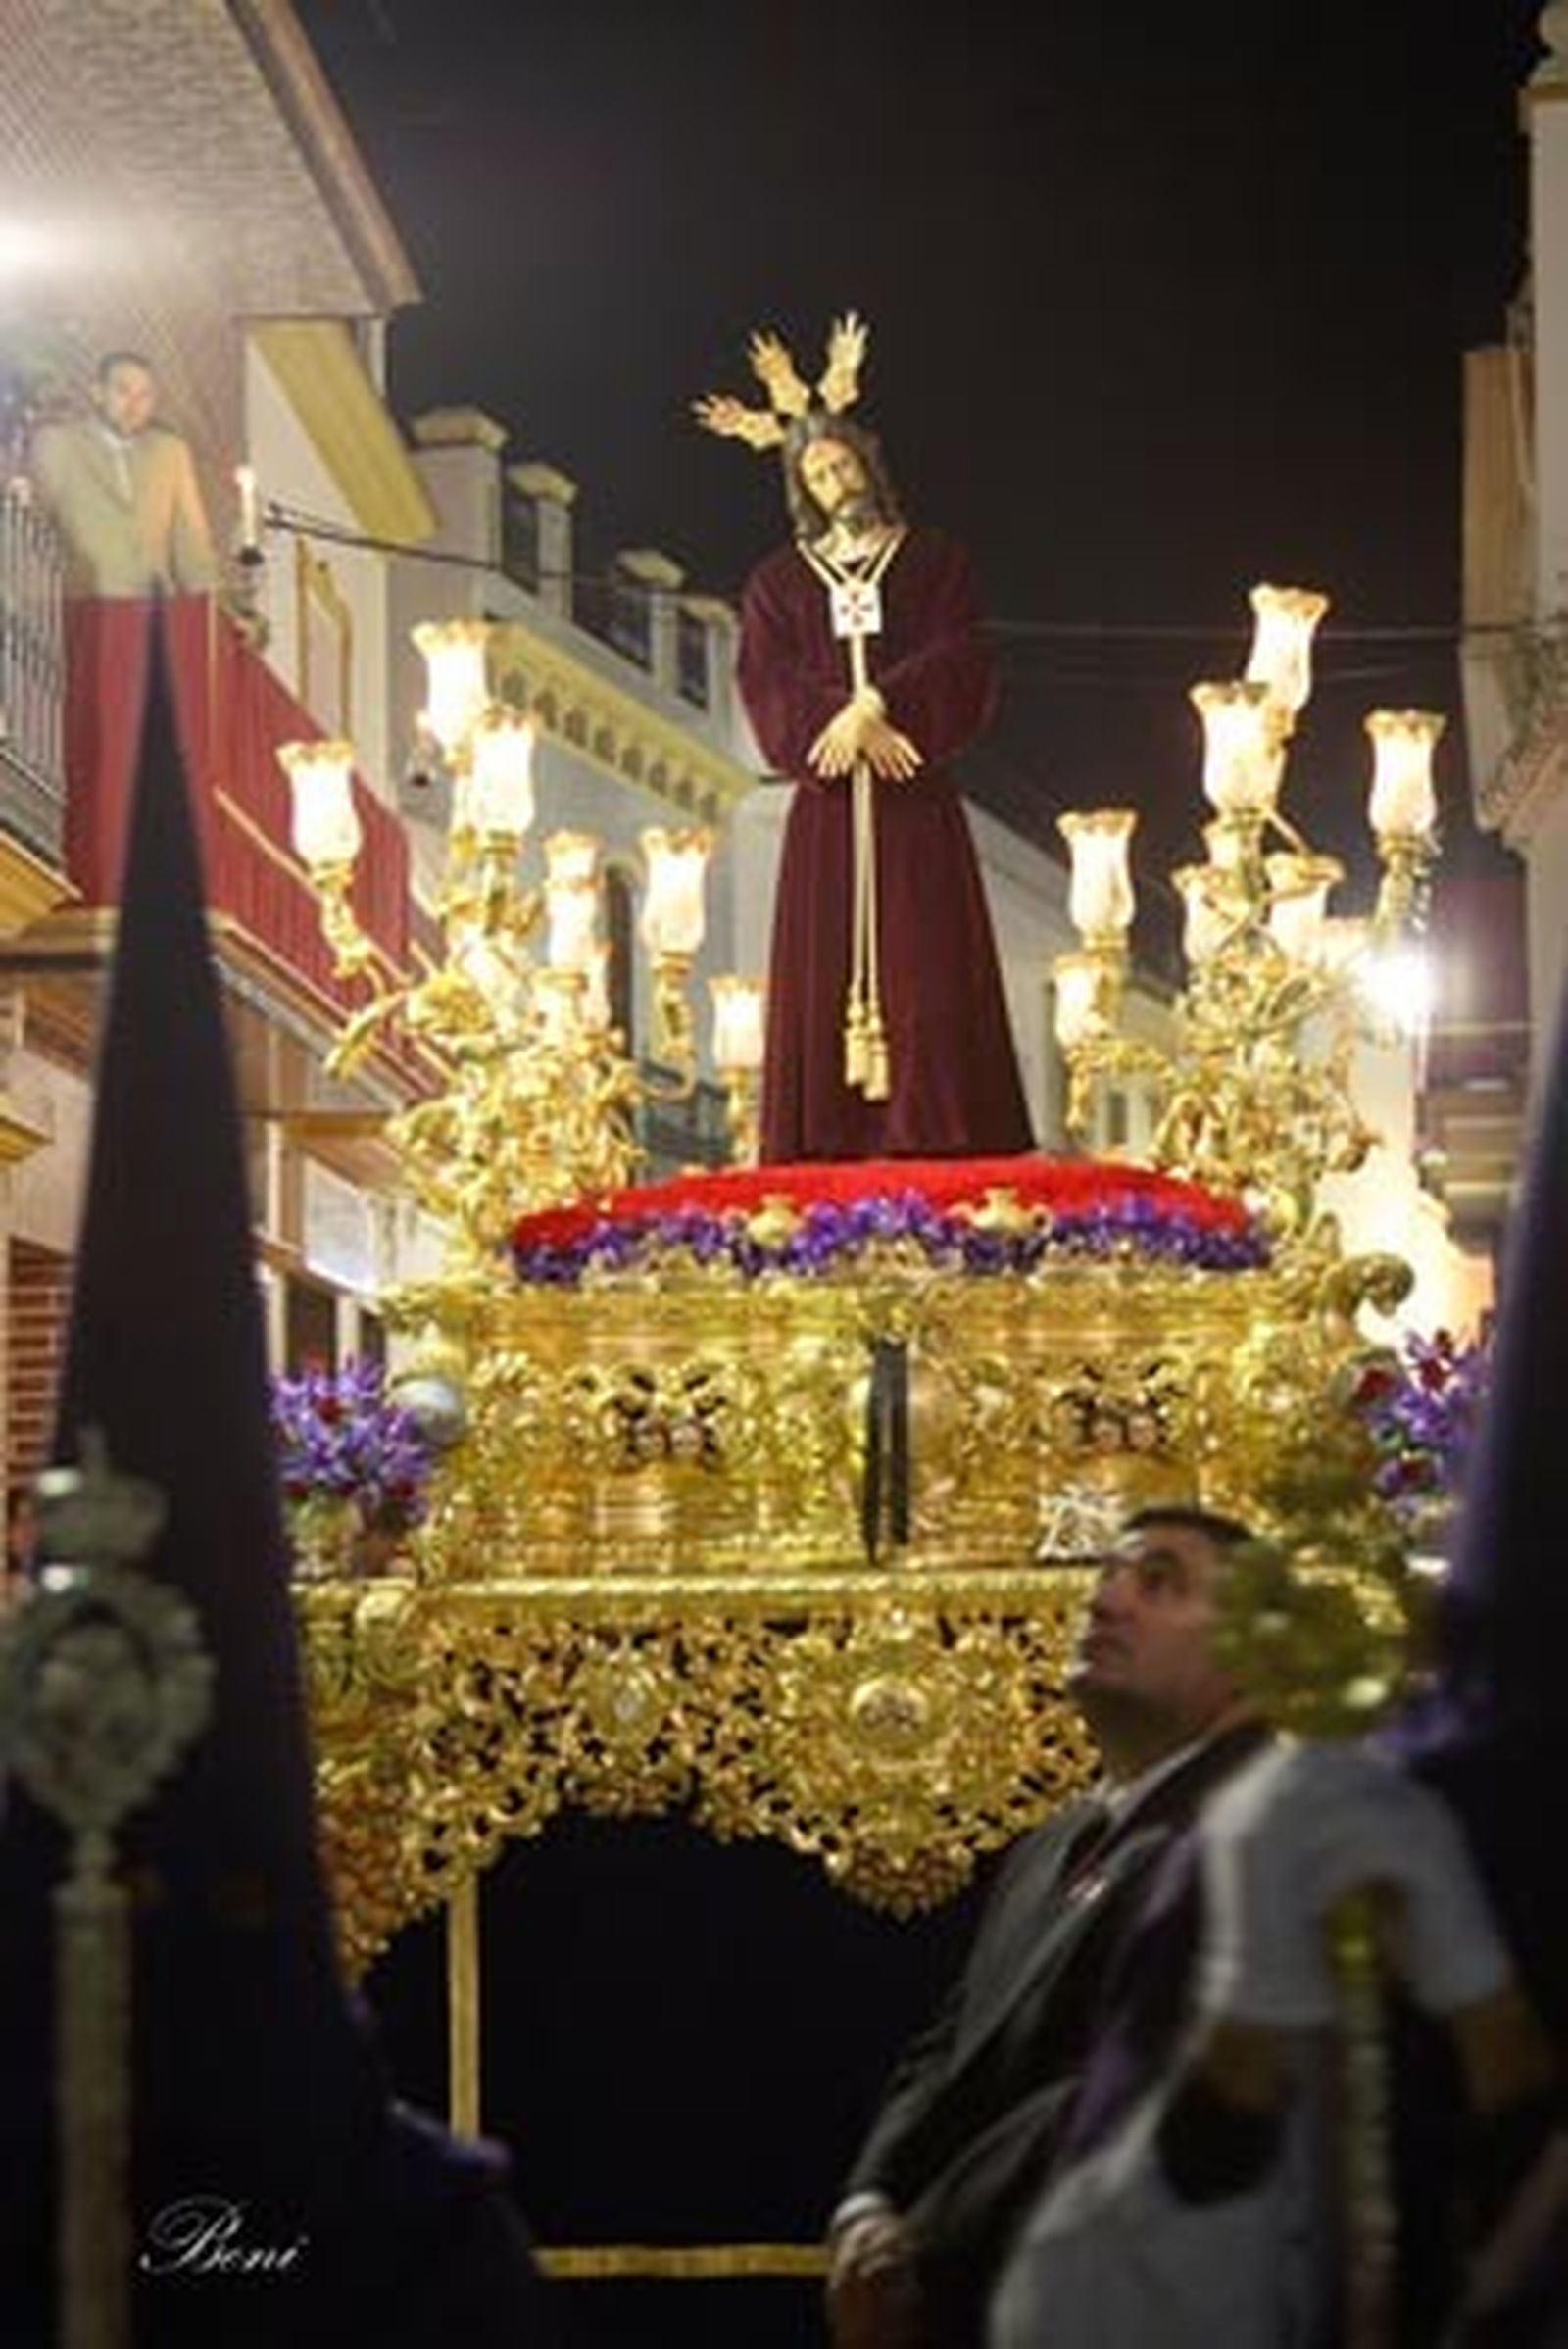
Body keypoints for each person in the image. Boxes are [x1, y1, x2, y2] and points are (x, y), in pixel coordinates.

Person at [823, 1504, 1272, 2349]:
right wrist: (867, 2203)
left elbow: (1126, 2091)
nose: (1106, 1599)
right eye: (1107, 1575)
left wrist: (917, 2252)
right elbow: (952, 2045)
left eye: (1159, 1583)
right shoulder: (1053, 1840)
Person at [697, 317, 1034, 1164]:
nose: (833, 481)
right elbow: (763, 677)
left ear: (868, 466)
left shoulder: (933, 560)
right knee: (824, 969)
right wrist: (839, 722)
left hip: (912, 797)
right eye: (816, 473)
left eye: (842, 464)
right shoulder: (778, 582)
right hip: (829, 806)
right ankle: (829, 1137)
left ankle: (935, 1132)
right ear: (800, 488)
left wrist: (882, 702)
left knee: (929, 966)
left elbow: (964, 651)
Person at [29, 349, 218, 598]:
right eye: (123, 391)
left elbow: (192, 545)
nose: (134, 406)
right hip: (86, 606)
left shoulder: (171, 452)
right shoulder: (59, 444)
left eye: (145, 395)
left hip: (156, 607)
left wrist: (210, 606)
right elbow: (31, 531)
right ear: (97, 393)